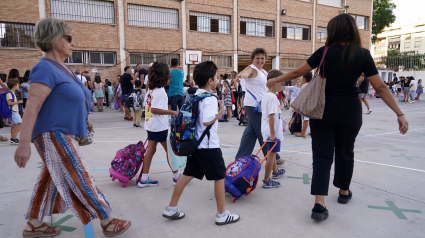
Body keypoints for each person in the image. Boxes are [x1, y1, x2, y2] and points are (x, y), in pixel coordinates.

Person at [266, 14, 408, 221]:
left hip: (322, 110)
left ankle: (319, 204)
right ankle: (343, 191)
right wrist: (400, 113)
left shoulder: (324, 52)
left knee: (322, 156)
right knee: (345, 151)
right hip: (350, 111)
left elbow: (298, 71)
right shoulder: (362, 54)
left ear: (333, 31)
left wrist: (275, 80)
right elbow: (381, 87)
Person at [13, 18, 132, 237]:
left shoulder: (63, 68)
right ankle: (107, 220)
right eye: (68, 38)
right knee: (80, 174)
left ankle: (34, 223)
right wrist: (23, 144)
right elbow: (32, 107)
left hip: (65, 132)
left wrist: (84, 122)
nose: (72, 42)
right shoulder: (44, 67)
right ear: (52, 39)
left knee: (50, 179)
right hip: (53, 132)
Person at [162, 61, 240, 225]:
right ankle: (222, 214)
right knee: (219, 177)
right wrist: (220, 112)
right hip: (209, 146)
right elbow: (206, 121)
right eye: (217, 77)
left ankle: (171, 208)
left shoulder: (194, 96)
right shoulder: (210, 98)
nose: (218, 80)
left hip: (195, 145)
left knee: (186, 175)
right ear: (210, 80)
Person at [234, 48, 282, 162]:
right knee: (262, 131)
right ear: (253, 59)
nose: (260, 60)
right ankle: (272, 157)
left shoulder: (264, 72)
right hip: (253, 106)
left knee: (250, 132)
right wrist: (240, 75)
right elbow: (245, 73)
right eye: (257, 58)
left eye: (262, 58)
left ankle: (240, 158)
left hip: (261, 106)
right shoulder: (252, 68)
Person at [139, 62, 180, 188]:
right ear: (164, 77)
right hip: (159, 127)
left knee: (151, 150)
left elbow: (149, 108)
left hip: (151, 125)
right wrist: (172, 112)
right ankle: (176, 176)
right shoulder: (160, 92)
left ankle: (144, 177)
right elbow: (154, 109)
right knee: (170, 151)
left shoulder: (151, 90)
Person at [261, 69, 286, 189]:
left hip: (272, 131)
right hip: (272, 132)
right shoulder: (272, 98)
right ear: (273, 83)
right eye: (281, 82)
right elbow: (271, 116)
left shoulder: (269, 96)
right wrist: (272, 133)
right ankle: (266, 180)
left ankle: (275, 172)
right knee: (271, 156)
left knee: (272, 153)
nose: (283, 85)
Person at [5, 79, 23, 144]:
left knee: (14, 125)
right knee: (21, 123)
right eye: (18, 85)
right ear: (14, 86)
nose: (18, 86)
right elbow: (9, 103)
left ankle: (13, 138)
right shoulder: (9, 93)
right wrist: (18, 102)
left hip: (14, 111)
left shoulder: (12, 93)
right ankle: (14, 138)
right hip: (13, 111)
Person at [296, 72, 313, 137]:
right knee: (311, 119)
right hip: (312, 104)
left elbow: (301, 96)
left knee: (305, 119)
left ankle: (303, 133)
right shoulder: (312, 85)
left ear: (304, 79)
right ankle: (312, 131)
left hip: (305, 105)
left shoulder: (304, 86)